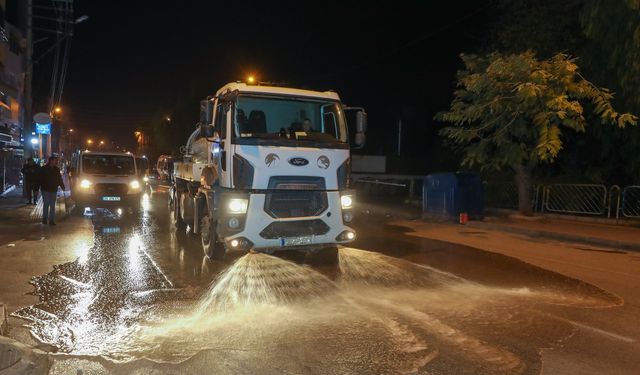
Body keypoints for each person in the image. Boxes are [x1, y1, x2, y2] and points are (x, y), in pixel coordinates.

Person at [39, 156, 65, 225]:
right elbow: (39, 178)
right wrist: (38, 186)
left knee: (52, 205)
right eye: (54, 160)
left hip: (53, 189)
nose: (56, 162)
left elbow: (59, 179)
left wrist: (62, 186)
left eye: (56, 161)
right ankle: (44, 218)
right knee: (46, 204)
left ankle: (51, 220)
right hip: (45, 189)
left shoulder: (56, 169)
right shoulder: (43, 169)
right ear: (50, 161)